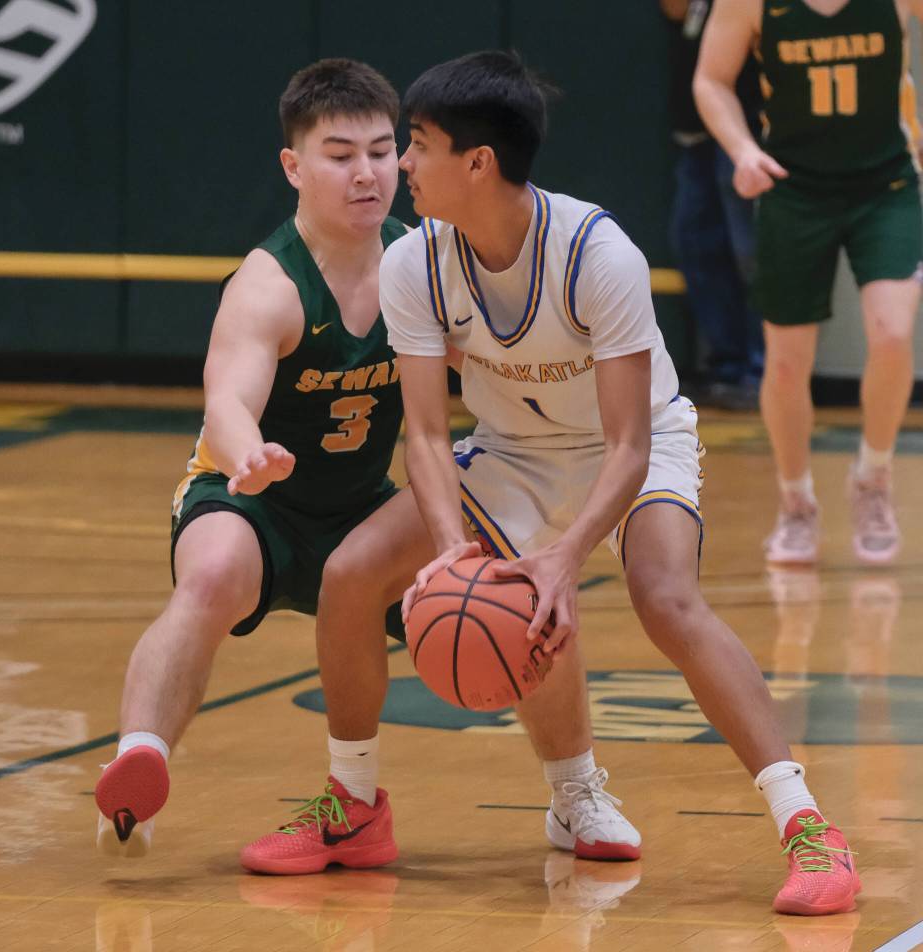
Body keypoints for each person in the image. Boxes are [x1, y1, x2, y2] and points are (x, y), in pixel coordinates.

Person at [246, 51, 861, 917]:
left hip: (633, 447)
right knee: (353, 574)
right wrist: (456, 553)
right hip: (511, 450)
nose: (400, 168)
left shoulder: (598, 253)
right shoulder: (412, 262)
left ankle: (808, 828)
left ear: (477, 162)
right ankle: (354, 805)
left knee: (664, 597)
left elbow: (629, 443)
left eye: (415, 146)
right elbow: (424, 433)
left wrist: (564, 558)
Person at [92, 57, 411, 858]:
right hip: (250, 495)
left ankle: (573, 790)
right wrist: (249, 455)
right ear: (294, 167)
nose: (366, 172)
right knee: (210, 577)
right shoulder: (269, 284)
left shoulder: (425, 262)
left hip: (364, 503)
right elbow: (226, 401)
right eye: (341, 155)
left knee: (504, 601)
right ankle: (140, 760)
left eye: (381, 150)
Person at [694, 0, 923, 565]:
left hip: (887, 182)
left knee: (894, 334)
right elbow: (711, 80)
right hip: (792, 189)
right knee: (789, 361)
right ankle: (796, 502)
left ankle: (872, 476)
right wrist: (743, 151)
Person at [661, 0, 763, 409]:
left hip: (748, 128)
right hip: (696, 133)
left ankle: (762, 369)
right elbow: (673, 10)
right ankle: (727, 366)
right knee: (696, 247)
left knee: (752, 252)